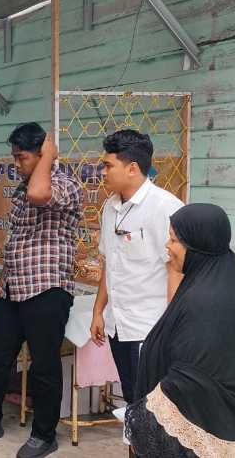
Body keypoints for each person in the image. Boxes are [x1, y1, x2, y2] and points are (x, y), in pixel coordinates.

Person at [0, 122, 84, 458]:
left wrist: (48, 157)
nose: (16, 164)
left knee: (44, 366)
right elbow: (17, 243)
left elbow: (40, 195)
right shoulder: (23, 186)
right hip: (15, 289)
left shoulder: (63, 184)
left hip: (47, 289)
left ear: (42, 154)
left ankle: (45, 435)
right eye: (14, 157)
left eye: (22, 157)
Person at [125, 203, 235, 457]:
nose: (168, 246)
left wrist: (148, 413)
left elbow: (188, 381)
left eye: (174, 240)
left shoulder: (203, 299)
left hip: (218, 430)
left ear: (198, 247)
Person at [89, 130, 184, 404]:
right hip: (118, 325)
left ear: (132, 168)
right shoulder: (110, 207)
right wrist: (98, 311)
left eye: (108, 166)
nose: (102, 172)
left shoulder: (165, 207)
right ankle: (136, 448)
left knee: (154, 405)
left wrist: (171, 328)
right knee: (132, 400)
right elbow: (110, 263)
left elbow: (176, 270)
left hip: (151, 327)